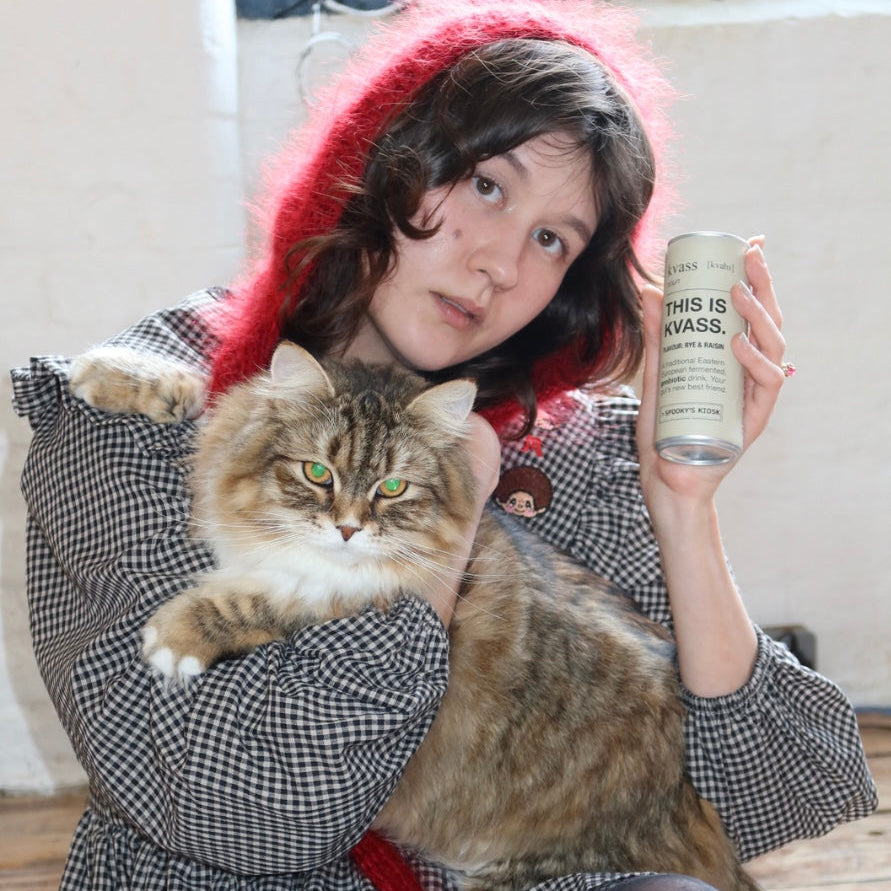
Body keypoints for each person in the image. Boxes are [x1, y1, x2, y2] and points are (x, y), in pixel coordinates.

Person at [11, 2, 876, 890]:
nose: (499, 262)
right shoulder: (141, 414)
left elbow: (771, 795)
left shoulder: (563, 440)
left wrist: (682, 505)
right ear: (383, 159)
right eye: (486, 186)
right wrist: (438, 535)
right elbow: (245, 821)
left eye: (551, 238)